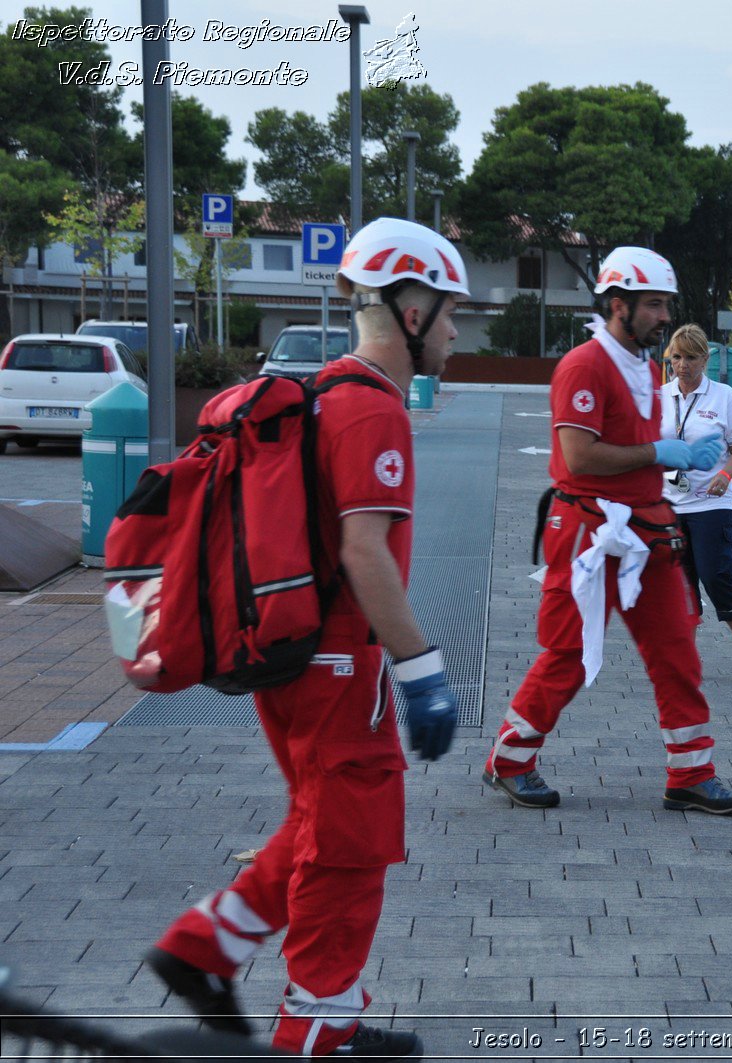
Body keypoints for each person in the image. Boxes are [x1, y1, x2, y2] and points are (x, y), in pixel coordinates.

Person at [144, 218, 466, 1057]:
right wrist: (422, 668)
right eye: (451, 310)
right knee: (350, 851)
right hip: (338, 667)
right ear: (410, 307)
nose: (458, 330)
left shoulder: (324, 394)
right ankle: (316, 1032)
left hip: (292, 661)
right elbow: (366, 553)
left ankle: (204, 947)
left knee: (319, 823)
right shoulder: (371, 413)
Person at [483, 247, 732, 816]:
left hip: (644, 529)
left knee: (678, 651)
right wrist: (663, 450)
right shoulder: (585, 365)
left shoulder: (640, 365)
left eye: (665, 305)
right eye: (652, 305)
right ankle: (509, 760)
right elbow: (578, 456)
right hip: (590, 532)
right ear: (617, 303)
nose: (662, 317)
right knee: (569, 654)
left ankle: (691, 774)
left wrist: (669, 459)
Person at [660, 324, 732, 680]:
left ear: (705, 358)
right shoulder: (660, 397)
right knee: (679, 583)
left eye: (690, 357)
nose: (683, 364)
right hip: (669, 504)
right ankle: (686, 658)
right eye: (677, 357)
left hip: (710, 503)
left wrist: (725, 475)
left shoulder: (723, 396)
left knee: (715, 576)